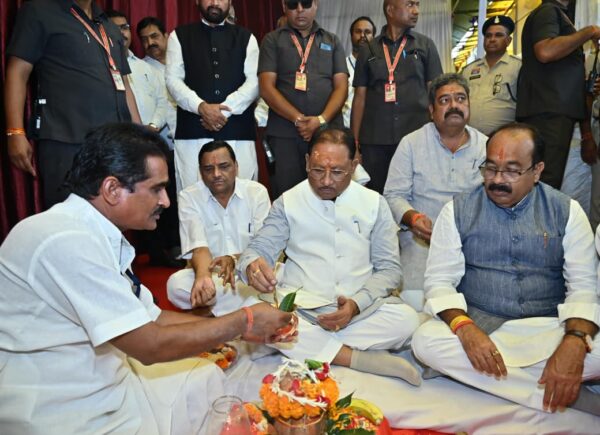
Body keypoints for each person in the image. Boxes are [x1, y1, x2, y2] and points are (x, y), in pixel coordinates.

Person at [0, 123, 292, 434]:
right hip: (62, 406)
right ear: (112, 189)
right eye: (156, 189)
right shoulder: (64, 238)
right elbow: (150, 344)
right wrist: (243, 321)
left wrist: (236, 329)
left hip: (106, 376)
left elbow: (153, 317)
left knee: (207, 379)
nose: (165, 201)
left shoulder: (94, 233)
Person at [412, 123, 600, 414]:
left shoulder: (567, 211)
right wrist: (465, 329)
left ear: (537, 171)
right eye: (490, 168)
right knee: (425, 341)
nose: (497, 180)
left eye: (512, 171)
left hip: (548, 326)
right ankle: (555, 394)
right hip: (484, 327)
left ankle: (495, 381)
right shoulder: (457, 210)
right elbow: (439, 281)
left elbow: (584, 286)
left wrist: (573, 342)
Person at [238, 127, 422, 386]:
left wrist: (355, 304)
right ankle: (355, 358)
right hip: (303, 309)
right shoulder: (288, 202)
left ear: (354, 166)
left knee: (407, 321)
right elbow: (257, 250)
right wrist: (252, 266)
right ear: (306, 162)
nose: (325, 181)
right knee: (257, 313)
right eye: (317, 170)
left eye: (337, 172)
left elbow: (390, 270)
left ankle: (301, 346)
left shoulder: (374, 203)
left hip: (359, 310)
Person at [4, 0, 141, 208]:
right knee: (70, 215)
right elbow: (18, 72)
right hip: (67, 141)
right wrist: (15, 131)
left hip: (115, 143)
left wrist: (139, 136)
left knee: (114, 216)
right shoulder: (39, 12)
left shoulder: (109, 26)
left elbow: (125, 85)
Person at [384, 73, 486, 298]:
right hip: (422, 242)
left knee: (479, 303)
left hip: (473, 243)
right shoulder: (411, 144)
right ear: (431, 110)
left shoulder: (486, 146)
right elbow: (393, 195)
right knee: (416, 305)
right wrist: (413, 219)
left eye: (460, 99)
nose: (454, 105)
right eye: (445, 100)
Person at [258, 0, 348, 198]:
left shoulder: (332, 40)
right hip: (285, 134)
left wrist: (320, 120)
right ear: (284, 6)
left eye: (306, 3)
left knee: (329, 192)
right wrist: (299, 120)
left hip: (327, 133)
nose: (299, 9)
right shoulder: (272, 40)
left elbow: (342, 87)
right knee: (288, 196)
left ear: (316, 5)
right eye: (292, 4)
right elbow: (266, 88)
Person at [351, 0, 443, 194]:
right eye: (410, 5)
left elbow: (436, 92)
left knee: (416, 193)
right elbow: (359, 98)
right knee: (377, 195)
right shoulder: (368, 49)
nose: (416, 11)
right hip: (375, 141)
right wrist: (355, 144)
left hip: (416, 138)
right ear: (390, 10)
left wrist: (440, 135)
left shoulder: (425, 45)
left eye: (417, 5)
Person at [166, 0, 259, 191]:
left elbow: (255, 83)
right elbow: (172, 81)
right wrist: (200, 107)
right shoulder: (179, 36)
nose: (215, 3)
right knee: (193, 197)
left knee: (244, 195)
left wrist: (223, 112)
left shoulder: (247, 37)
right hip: (193, 133)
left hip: (238, 132)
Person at [167, 141, 270, 311]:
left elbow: (264, 246)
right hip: (213, 274)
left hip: (250, 270)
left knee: (281, 273)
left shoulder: (256, 192)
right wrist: (203, 279)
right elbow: (198, 248)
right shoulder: (189, 197)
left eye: (224, 166)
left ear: (236, 167)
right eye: (208, 169)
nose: (216, 174)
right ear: (201, 172)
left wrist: (233, 259)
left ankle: (216, 310)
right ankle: (251, 305)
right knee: (175, 285)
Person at [516, 0, 600, 189]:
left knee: (544, 179)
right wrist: (590, 31)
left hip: (551, 109)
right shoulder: (549, 10)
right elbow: (545, 51)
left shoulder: (558, 13)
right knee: (546, 181)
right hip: (549, 111)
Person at [136, 15, 183, 267]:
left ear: (166, 36)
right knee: (165, 198)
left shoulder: (181, 64)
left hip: (187, 142)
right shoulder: (142, 69)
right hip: (160, 145)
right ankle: (168, 248)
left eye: (154, 36)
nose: (150, 43)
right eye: (144, 39)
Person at [460, 16, 521, 136]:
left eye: (498, 35)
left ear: (508, 40)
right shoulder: (468, 70)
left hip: (505, 138)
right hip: (471, 138)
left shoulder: (518, 67)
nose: (492, 39)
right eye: (488, 36)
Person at [343, 16, 376, 129]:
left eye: (367, 32)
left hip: (372, 129)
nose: (362, 35)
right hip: (344, 129)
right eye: (358, 31)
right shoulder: (341, 66)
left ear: (374, 37)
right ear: (351, 35)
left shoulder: (379, 68)